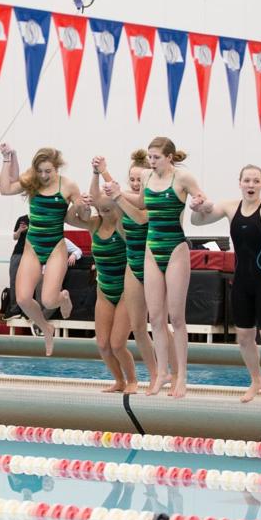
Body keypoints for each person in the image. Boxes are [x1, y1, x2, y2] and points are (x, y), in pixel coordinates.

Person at [190, 165, 261, 405]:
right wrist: (195, 208)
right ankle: (256, 380)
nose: (251, 185)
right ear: (240, 182)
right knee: (244, 338)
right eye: (247, 180)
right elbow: (197, 222)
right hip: (241, 282)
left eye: (255, 181)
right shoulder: (230, 207)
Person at [121, 137, 206, 398]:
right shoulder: (146, 177)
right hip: (151, 248)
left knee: (176, 318)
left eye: (156, 156)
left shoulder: (183, 178)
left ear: (169, 157)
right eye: (150, 156)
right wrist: (115, 192)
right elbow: (142, 204)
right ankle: (161, 374)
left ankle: (181, 377)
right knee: (155, 318)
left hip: (176, 250)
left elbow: (203, 203)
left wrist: (199, 204)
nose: (151, 161)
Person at [0, 144, 86, 355]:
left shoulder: (68, 186)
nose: (44, 175)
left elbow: (82, 216)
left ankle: (63, 297)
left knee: (48, 299)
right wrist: (7, 159)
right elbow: (5, 189)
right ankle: (46, 328)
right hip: (33, 245)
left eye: (48, 171)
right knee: (22, 299)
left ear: (57, 168)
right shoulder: (32, 180)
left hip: (56, 245)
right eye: (40, 171)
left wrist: (83, 204)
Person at [96, 151, 159, 381]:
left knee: (161, 324)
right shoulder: (124, 200)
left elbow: (140, 217)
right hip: (133, 266)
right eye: (131, 179)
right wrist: (101, 173)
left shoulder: (151, 199)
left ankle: (172, 372)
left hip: (152, 265)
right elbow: (108, 195)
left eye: (139, 180)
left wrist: (115, 190)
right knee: (139, 328)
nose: (134, 184)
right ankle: (151, 375)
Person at [69, 186, 136, 392]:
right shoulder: (95, 224)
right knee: (103, 345)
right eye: (101, 210)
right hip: (104, 291)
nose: (105, 214)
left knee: (117, 344)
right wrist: (80, 203)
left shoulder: (124, 225)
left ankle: (132, 380)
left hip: (126, 292)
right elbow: (68, 218)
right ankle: (119, 381)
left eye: (109, 210)